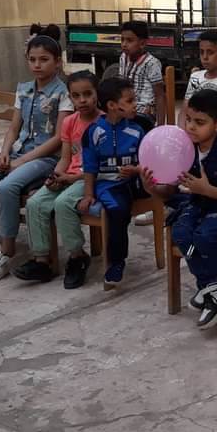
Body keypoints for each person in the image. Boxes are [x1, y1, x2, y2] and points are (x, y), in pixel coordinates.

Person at [0, 34, 72, 283]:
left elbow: (58, 138)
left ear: (57, 62)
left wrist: (22, 161)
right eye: (32, 59)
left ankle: (7, 251)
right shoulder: (24, 89)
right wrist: (5, 152)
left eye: (44, 59)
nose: (37, 65)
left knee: (7, 186)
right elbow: (13, 128)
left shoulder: (63, 93)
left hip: (45, 159)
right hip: (17, 153)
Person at [145, 89, 217, 328]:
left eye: (199, 122)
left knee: (204, 234)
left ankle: (213, 288)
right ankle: (215, 287)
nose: (190, 127)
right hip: (202, 202)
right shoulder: (185, 149)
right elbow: (170, 192)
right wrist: (151, 187)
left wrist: (206, 189)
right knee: (180, 231)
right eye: (188, 119)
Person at [13, 71, 102, 288]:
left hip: (90, 179)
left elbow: (102, 168)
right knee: (35, 202)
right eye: (76, 96)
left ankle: (77, 256)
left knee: (63, 203)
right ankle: (42, 261)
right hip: (68, 176)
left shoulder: (104, 123)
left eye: (87, 94)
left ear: (97, 94)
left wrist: (71, 178)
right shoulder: (69, 122)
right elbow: (65, 158)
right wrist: (55, 176)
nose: (82, 100)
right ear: (70, 98)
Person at [79, 77, 148, 291]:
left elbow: (148, 162)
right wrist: (88, 194)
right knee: (117, 210)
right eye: (129, 100)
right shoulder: (93, 132)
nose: (135, 104)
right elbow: (89, 167)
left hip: (134, 182)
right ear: (111, 105)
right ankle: (116, 262)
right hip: (107, 186)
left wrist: (135, 169)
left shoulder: (138, 129)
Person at [117, 20, 166, 126]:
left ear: (142, 43)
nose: (124, 44)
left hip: (144, 114)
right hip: (127, 109)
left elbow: (159, 96)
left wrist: (160, 127)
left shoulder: (151, 63)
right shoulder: (123, 57)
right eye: (122, 40)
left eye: (129, 40)